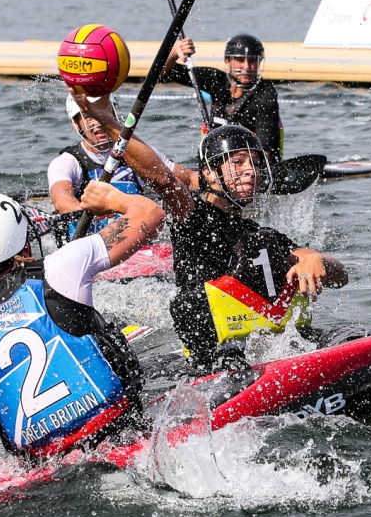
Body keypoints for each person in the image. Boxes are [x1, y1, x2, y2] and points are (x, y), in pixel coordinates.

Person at [73, 94, 347, 374]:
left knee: (350, 333)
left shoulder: (262, 234)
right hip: (214, 356)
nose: (250, 171)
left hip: (265, 347)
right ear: (209, 173)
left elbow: (340, 276)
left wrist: (315, 258)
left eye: (254, 162)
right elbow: (162, 178)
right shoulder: (192, 215)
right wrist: (107, 120)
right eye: (238, 162)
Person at [0, 182, 164, 458]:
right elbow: (151, 213)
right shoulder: (61, 265)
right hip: (118, 433)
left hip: (46, 464)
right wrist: (111, 198)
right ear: (22, 237)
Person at [46, 94, 189, 246]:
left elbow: (184, 178)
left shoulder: (136, 154)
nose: (97, 122)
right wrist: (98, 209)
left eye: (102, 113)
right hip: (91, 248)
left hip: (135, 247)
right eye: (88, 117)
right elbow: (62, 202)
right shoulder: (67, 162)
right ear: (75, 124)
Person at [161, 34, 283, 162]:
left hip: (253, 164)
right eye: (240, 60)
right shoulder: (216, 80)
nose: (247, 67)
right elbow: (163, 73)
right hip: (216, 161)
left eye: (252, 61)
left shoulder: (266, 94)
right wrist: (174, 52)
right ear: (227, 61)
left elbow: (265, 151)